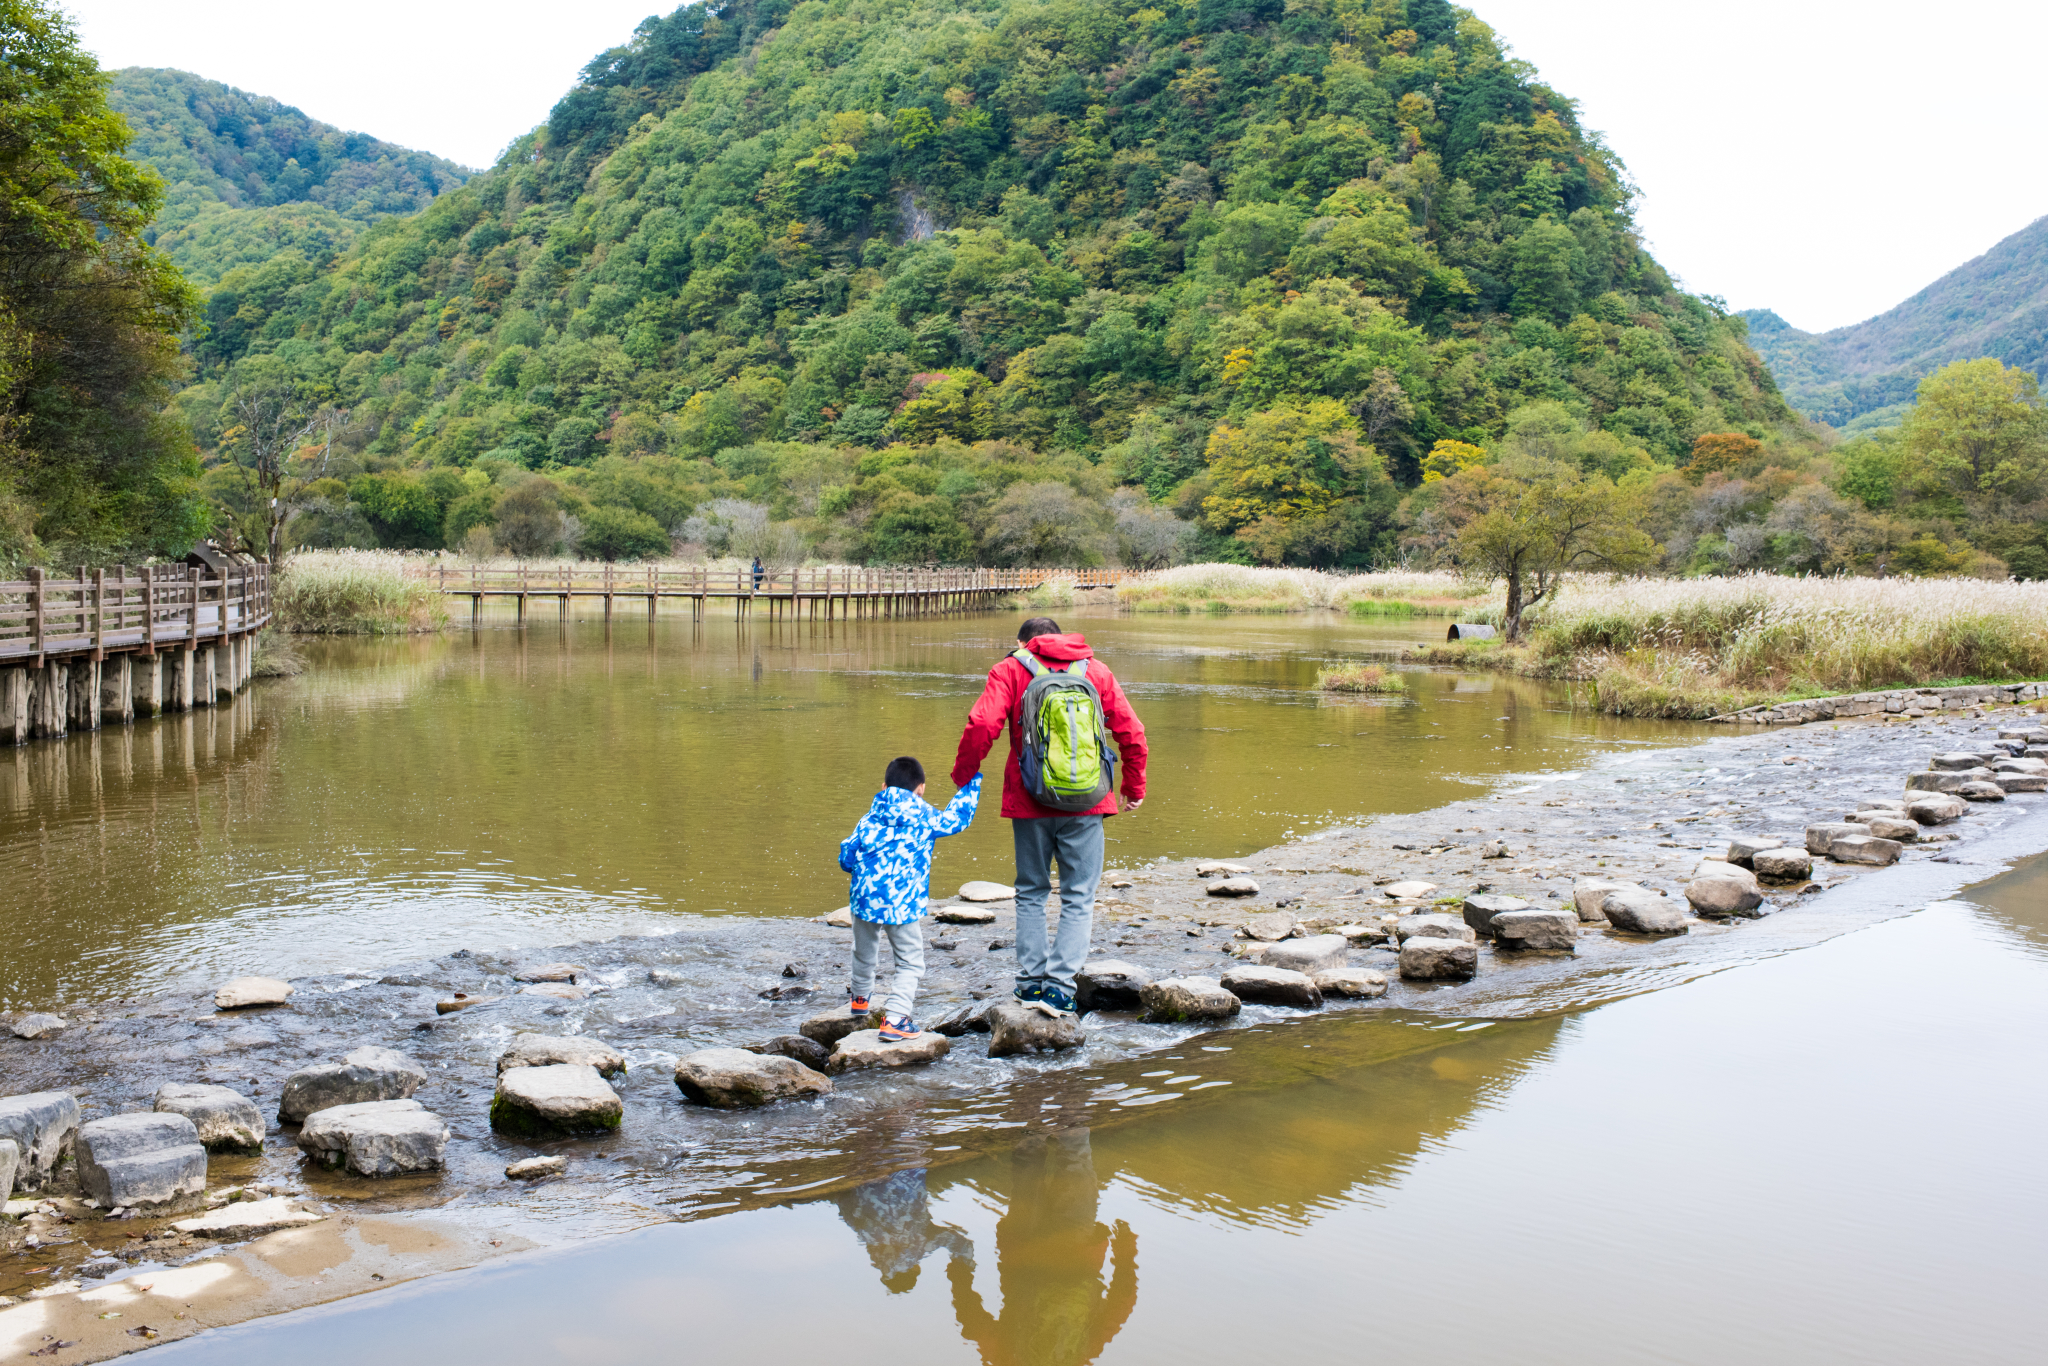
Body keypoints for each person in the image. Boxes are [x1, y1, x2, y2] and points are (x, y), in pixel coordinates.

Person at [951, 618, 1147, 1016]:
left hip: (1030, 798)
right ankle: (1059, 989)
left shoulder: (1010, 668)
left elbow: (983, 724)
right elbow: (1132, 730)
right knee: (1078, 895)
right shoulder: (1096, 670)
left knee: (1031, 892)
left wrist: (964, 775)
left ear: (1025, 642)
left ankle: (1029, 984)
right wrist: (1134, 785)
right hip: (1088, 800)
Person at [838, 756, 981, 1041]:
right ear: (921, 790)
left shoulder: (869, 818)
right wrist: (971, 782)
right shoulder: (925, 817)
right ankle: (896, 1018)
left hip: (865, 900)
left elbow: (846, 855)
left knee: (863, 951)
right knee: (910, 962)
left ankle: (859, 1000)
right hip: (902, 905)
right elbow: (958, 819)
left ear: (884, 786)